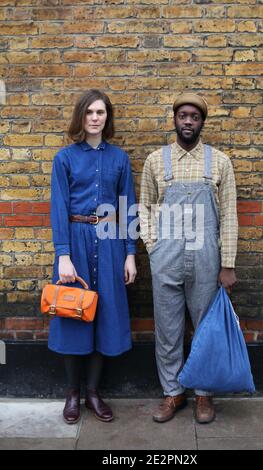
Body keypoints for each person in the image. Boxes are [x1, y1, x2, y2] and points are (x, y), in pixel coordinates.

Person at [139, 92, 238, 424]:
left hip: (207, 257)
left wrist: (228, 263)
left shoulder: (219, 162)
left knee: (205, 328)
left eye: (194, 117)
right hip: (166, 255)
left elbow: (229, 216)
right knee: (167, 329)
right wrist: (154, 249)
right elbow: (146, 210)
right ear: (174, 119)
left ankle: (204, 395)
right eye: (183, 115)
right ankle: (173, 393)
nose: (188, 122)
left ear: (202, 123)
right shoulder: (156, 161)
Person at [49, 89, 137, 424]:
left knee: (104, 315)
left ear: (107, 117)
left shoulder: (119, 159)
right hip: (76, 239)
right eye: (89, 113)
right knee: (74, 313)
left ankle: (93, 393)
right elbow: (58, 209)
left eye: (100, 112)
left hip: (110, 240)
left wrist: (130, 254)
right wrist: (63, 255)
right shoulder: (65, 159)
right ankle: (72, 393)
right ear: (81, 117)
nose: (95, 118)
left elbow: (127, 208)